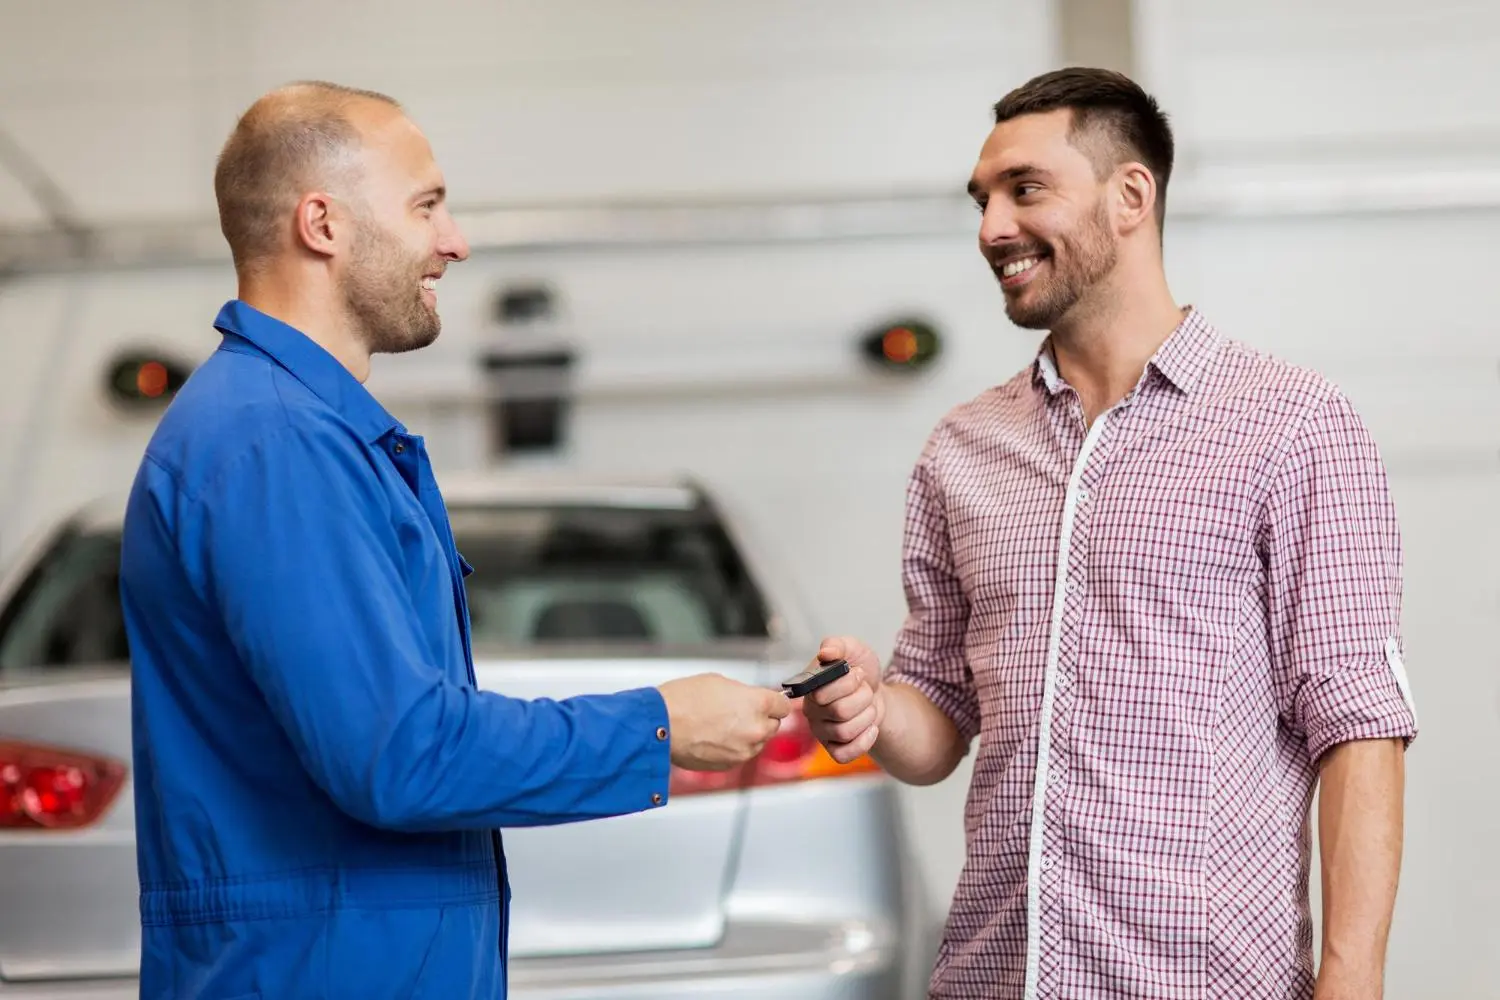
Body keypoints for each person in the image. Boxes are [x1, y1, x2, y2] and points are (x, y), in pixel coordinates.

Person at [117, 80, 792, 1000]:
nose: (455, 240)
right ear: (323, 223)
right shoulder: (274, 444)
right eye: (426, 205)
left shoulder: (311, 434)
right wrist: (662, 723)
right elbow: (400, 757)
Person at [801, 67, 1418, 1000]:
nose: (991, 228)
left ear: (1131, 196)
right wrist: (875, 711)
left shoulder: (1292, 426)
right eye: (982, 200)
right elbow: (938, 718)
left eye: (1026, 190)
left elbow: (1359, 726)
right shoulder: (962, 450)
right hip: (995, 979)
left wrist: (1352, 976)